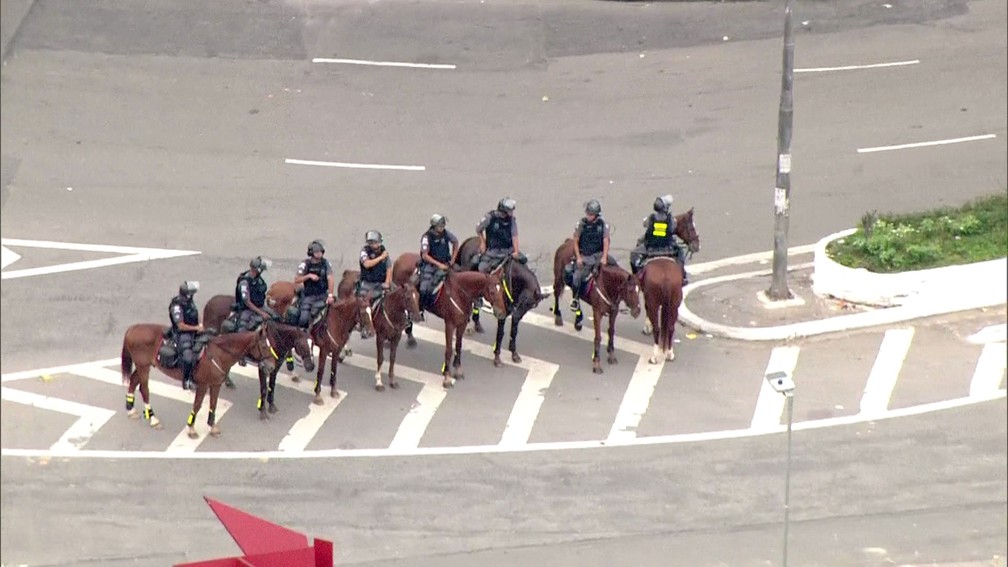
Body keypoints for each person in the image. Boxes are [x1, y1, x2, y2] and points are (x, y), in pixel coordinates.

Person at [630, 194, 687, 284]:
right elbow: (673, 228)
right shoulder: (671, 220)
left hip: (651, 248)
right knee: (681, 254)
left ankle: (637, 276)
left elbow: (645, 224)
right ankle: (683, 276)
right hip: (668, 248)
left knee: (634, 255)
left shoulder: (651, 218)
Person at [569, 199, 611, 311]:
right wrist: (578, 257)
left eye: (591, 214)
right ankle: (575, 299)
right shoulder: (582, 224)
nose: (588, 216)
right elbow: (575, 241)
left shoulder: (603, 225)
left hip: (598, 255)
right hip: (585, 256)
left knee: (615, 270)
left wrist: (604, 257)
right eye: (587, 213)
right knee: (576, 277)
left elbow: (606, 241)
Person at [419, 214, 459, 308]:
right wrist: (439, 265)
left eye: (443, 225)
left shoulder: (445, 233)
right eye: (440, 226)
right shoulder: (426, 237)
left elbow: (455, 242)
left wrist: (453, 259)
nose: (442, 228)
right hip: (431, 266)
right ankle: (422, 307)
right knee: (424, 288)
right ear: (434, 226)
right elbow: (425, 255)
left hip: (446, 263)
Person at [169, 281, 203, 391]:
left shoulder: (189, 301)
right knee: (188, 357)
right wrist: (196, 328)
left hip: (194, 329)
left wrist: (201, 325)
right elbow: (180, 326)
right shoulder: (177, 307)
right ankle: (186, 380)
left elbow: (195, 313)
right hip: (182, 334)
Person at [294, 239, 335, 329]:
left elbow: (330, 278)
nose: (319, 254)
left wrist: (330, 295)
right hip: (309, 296)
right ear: (311, 253)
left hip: (323, 294)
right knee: (303, 319)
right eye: (316, 252)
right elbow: (297, 279)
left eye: (320, 252)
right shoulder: (305, 264)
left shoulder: (326, 263)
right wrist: (308, 276)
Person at [475, 197, 520, 273]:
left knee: (523, 264)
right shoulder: (489, 217)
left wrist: (516, 251)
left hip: (508, 251)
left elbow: (514, 236)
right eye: (510, 210)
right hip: (493, 252)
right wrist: (482, 242)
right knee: (482, 268)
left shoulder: (511, 220)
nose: (512, 212)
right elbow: (478, 229)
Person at [234, 256, 272, 332]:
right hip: (247, 309)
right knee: (243, 329)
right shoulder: (244, 282)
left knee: (276, 317)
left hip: (260, 305)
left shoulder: (258, 279)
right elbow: (247, 301)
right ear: (257, 269)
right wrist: (261, 313)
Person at [358, 230, 392, 303]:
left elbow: (388, 268)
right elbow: (366, 264)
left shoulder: (384, 252)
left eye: (374, 242)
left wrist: (387, 282)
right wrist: (380, 258)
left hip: (381, 284)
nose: (372, 244)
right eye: (370, 243)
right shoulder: (364, 251)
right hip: (368, 284)